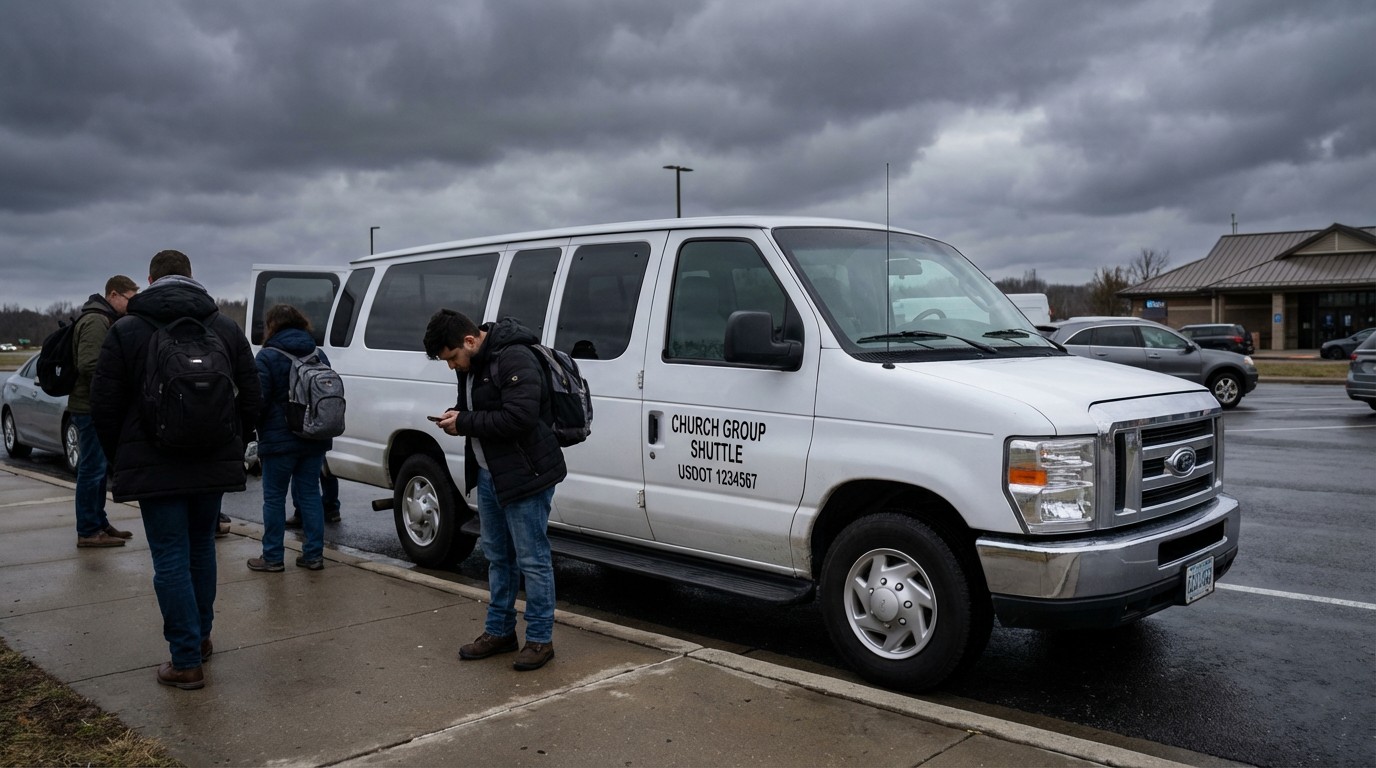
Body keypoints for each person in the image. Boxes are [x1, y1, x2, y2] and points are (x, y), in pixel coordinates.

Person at [91, 250, 261, 690]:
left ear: (149, 280)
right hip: (212, 461)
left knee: (169, 555)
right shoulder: (224, 327)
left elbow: (104, 407)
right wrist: (233, 443)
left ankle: (185, 660)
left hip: (154, 465)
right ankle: (201, 639)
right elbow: (253, 396)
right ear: (191, 278)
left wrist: (122, 455)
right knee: (201, 548)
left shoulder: (127, 330)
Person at [422, 309, 566, 671]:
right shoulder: (472, 364)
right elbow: (480, 407)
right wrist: (456, 413)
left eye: (453, 357)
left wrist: (465, 422)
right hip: (490, 474)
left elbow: (520, 416)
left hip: (525, 474)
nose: (452, 366)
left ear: (470, 341)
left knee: (532, 560)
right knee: (498, 558)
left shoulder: (514, 356)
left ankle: (539, 640)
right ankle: (500, 632)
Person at [248, 304, 332, 573]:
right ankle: (314, 555)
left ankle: (272, 557)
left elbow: (258, 400)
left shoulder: (267, 356)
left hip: (278, 440)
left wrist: (253, 428)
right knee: (309, 495)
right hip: (314, 436)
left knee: (273, 498)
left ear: (272, 325)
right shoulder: (318, 353)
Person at [70, 275, 139, 548]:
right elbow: (89, 364)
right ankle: (88, 530)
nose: (131, 305)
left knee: (98, 469)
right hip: (88, 407)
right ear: (113, 295)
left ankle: (99, 522)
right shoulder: (96, 320)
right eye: (129, 299)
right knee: (91, 469)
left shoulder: (104, 318)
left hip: (94, 405)